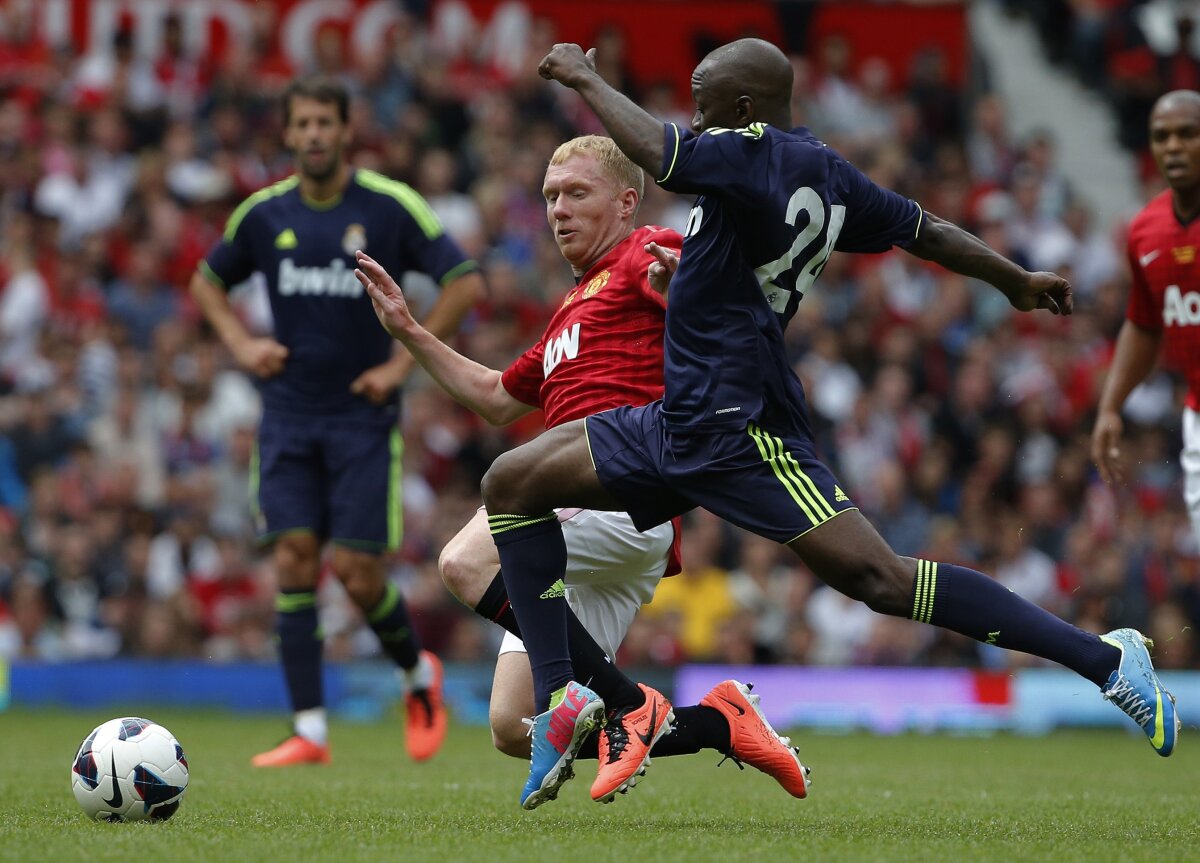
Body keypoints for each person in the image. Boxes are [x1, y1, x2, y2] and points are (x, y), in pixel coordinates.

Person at [380, 38, 1179, 808]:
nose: (697, 123)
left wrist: (585, 80)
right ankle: (571, 700)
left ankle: (1107, 657)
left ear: (744, 106)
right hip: (675, 421)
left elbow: (662, 153)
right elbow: (926, 231)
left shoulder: (745, 147)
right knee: (510, 480)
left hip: (743, 425)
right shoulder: (824, 172)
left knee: (881, 579)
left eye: (705, 110)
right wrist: (1012, 280)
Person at [355, 135, 809, 809]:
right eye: (549, 197)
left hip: (615, 496)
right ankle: (722, 719)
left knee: (463, 562)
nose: (558, 210)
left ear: (627, 203)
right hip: (583, 535)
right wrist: (411, 332)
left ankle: (631, 701)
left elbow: (722, 296)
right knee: (515, 727)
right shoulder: (569, 310)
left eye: (576, 193)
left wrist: (684, 286)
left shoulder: (644, 253)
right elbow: (494, 398)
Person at [191, 75, 484, 767]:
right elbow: (207, 281)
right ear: (288, 134)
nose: (315, 134)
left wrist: (401, 363)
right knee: (294, 558)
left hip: (361, 414)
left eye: (327, 121)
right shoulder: (262, 215)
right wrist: (241, 344)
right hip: (288, 413)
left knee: (355, 570)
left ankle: (419, 677)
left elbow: (464, 279)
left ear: (346, 129)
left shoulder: (388, 208)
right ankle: (310, 730)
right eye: (304, 124)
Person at [1093, 90, 1200, 545]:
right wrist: (1111, 406)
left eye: (1187, 134)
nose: (1172, 146)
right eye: (1162, 137)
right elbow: (1143, 323)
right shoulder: (1145, 231)